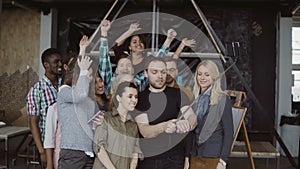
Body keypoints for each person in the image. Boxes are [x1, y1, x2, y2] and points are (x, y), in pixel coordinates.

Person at [131, 57, 197, 169]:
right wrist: (164, 126)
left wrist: (187, 124)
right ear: (146, 73)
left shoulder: (178, 94)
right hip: (149, 158)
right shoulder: (140, 98)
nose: (160, 76)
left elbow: (192, 117)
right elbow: (145, 131)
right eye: (154, 72)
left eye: (163, 72)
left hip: (174, 158)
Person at [189, 60, 233, 169]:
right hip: (195, 153)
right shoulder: (194, 98)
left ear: (214, 76)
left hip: (213, 155)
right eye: (199, 74)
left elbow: (229, 132)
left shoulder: (222, 99)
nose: (202, 78)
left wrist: (223, 160)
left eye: (207, 74)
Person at [112, 23, 177, 91]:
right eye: (135, 42)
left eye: (141, 42)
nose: (138, 44)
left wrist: (169, 39)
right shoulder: (125, 59)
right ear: (129, 47)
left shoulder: (148, 59)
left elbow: (160, 55)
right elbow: (116, 45)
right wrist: (130, 30)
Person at [57, 55, 96, 169]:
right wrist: (83, 70)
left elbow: (88, 126)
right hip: (72, 150)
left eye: (90, 74)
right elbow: (80, 94)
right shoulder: (64, 91)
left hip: (88, 151)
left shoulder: (90, 102)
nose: (89, 77)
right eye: (87, 73)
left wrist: (96, 124)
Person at [26, 48, 62, 168]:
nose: (60, 65)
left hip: (64, 142)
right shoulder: (37, 90)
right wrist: (42, 151)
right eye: (56, 62)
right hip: (48, 146)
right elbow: (33, 122)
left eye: (60, 61)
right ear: (46, 64)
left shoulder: (65, 85)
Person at [93, 81, 142, 169]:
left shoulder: (133, 125)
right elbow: (99, 148)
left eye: (136, 97)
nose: (134, 100)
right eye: (130, 96)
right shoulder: (106, 118)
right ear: (119, 98)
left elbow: (135, 152)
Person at [43, 53, 77, 169]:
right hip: (62, 156)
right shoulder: (54, 109)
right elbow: (49, 139)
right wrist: (49, 164)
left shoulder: (82, 107)